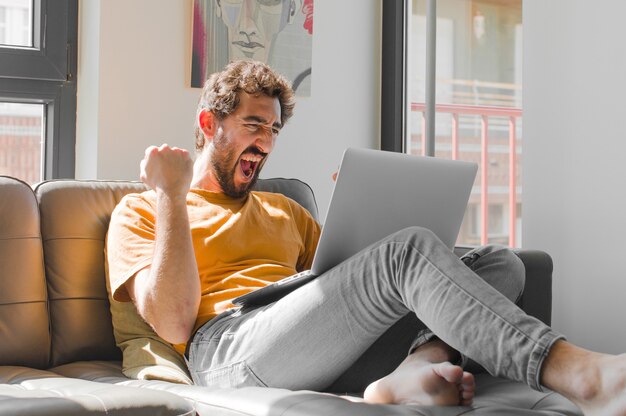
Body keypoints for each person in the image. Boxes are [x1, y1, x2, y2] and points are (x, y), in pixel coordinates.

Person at [106, 59, 626, 414]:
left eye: (273, 130)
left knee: (501, 262)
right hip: (228, 348)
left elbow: (340, 292)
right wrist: (171, 194)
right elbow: (172, 322)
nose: (264, 142)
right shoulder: (144, 209)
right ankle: (576, 375)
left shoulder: (286, 211)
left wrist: (364, 218)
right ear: (209, 123)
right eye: (251, 125)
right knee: (407, 251)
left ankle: (413, 369)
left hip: (313, 345)